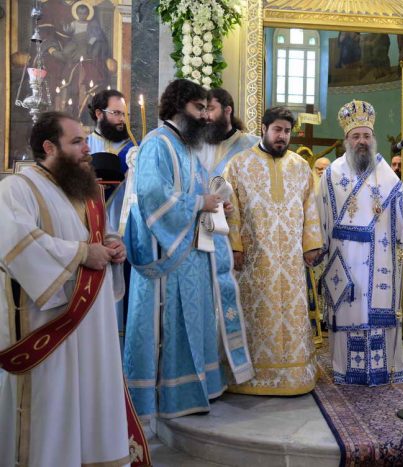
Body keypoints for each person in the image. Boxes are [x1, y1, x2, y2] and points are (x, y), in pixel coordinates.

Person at [0, 111, 148, 466]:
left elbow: (99, 235)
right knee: (54, 403)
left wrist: (113, 246)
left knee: (93, 397)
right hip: (49, 323)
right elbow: (16, 244)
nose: (87, 148)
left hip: (93, 324)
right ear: (49, 147)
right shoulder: (17, 189)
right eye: (77, 142)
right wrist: (82, 253)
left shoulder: (86, 189)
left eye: (85, 140)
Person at [123, 79, 252, 420]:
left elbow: (201, 191)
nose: (206, 116)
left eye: (207, 108)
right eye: (199, 108)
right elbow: (152, 195)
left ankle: (195, 390)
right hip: (167, 257)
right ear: (179, 107)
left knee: (194, 326)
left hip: (191, 256)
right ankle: (164, 397)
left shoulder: (187, 146)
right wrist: (199, 203)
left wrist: (216, 205)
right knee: (169, 328)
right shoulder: (157, 143)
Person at [317, 100, 403, 386]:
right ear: (346, 140)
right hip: (343, 257)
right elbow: (319, 214)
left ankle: (382, 368)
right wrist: (318, 250)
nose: (361, 141)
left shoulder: (386, 173)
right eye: (356, 136)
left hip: (379, 255)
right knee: (347, 309)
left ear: (372, 139)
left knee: (376, 310)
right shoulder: (331, 174)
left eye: (366, 136)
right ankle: (344, 369)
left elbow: (402, 217)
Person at [223, 106, 323, 395]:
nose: (282, 136)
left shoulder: (300, 166)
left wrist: (311, 244)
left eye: (287, 131)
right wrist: (234, 246)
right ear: (264, 129)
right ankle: (250, 375)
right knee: (256, 315)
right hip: (255, 258)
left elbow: (310, 207)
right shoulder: (239, 165)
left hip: (291, 260)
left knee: (292, 315)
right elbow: (232, 210)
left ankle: (294, 374)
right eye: (277, 130)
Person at [87, 88, 136, 350]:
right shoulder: (84, 146)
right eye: (116, 113)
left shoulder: (134, 149)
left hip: (126, 232)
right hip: (94, 232)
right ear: (99, 113)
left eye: (124, 114)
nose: (121, 120)